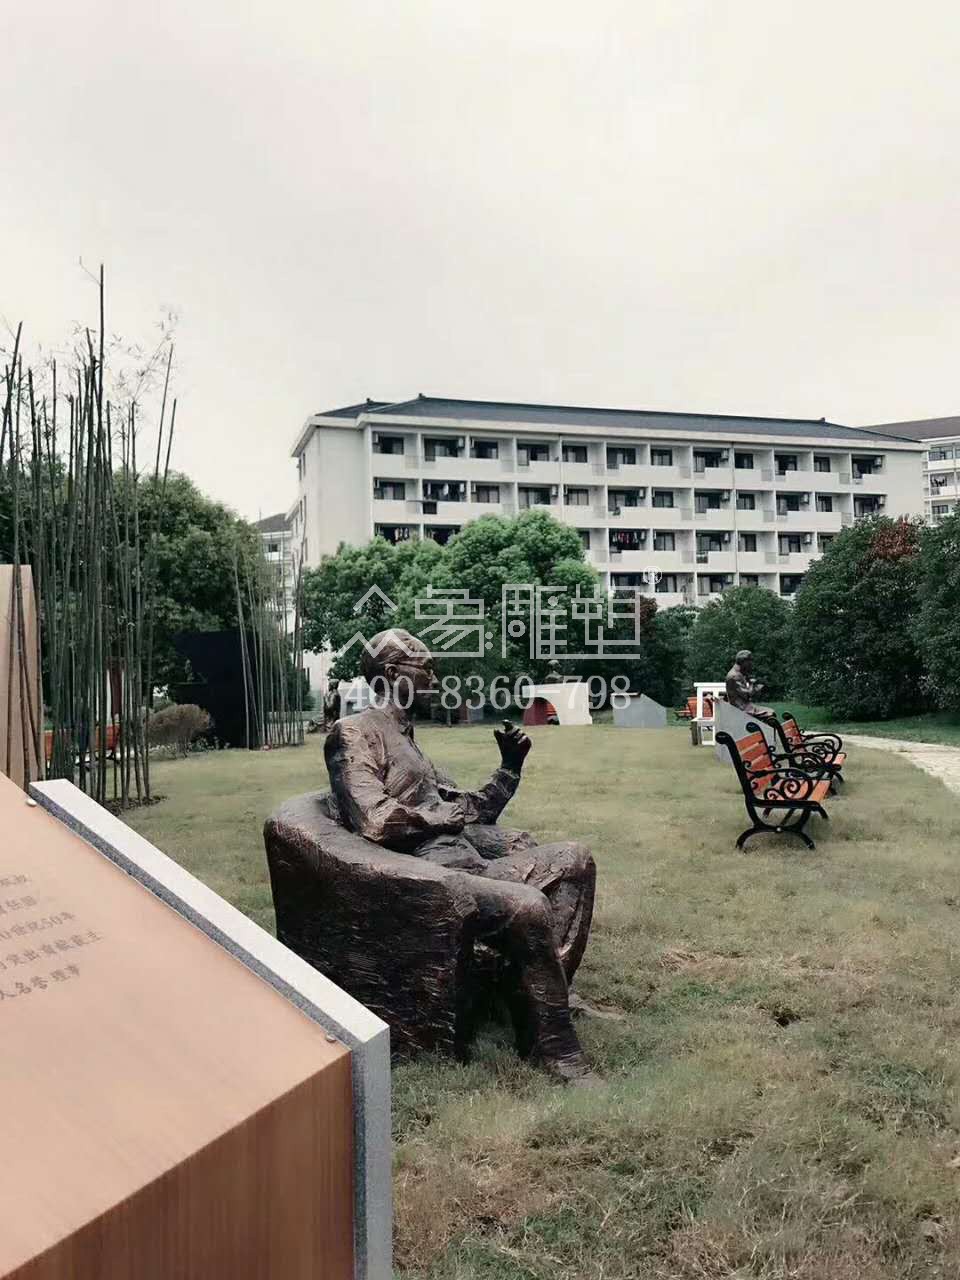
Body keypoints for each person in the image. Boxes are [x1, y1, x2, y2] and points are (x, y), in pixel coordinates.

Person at [323, 628, 597, 1084]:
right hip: (424, 875)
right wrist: (433, 818)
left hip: (468, 862)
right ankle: (554, 1048)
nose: (435, 678)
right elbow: (373, 817)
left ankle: (534, 998)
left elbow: (467, 811)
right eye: (426, 669)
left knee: (575, 861)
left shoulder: (408, 739)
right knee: (528, 905)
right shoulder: (354, 733)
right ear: (391, 673)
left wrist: (509, 770)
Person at [725, 649, 775, 723]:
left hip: (745, 706)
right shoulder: (735, 676)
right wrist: (753, 685)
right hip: (741, 709)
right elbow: (747, 695)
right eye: (750, 661)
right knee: (771, 713)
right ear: (743, 661)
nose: (751, 664)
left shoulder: (739, 673)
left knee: (770, 713)